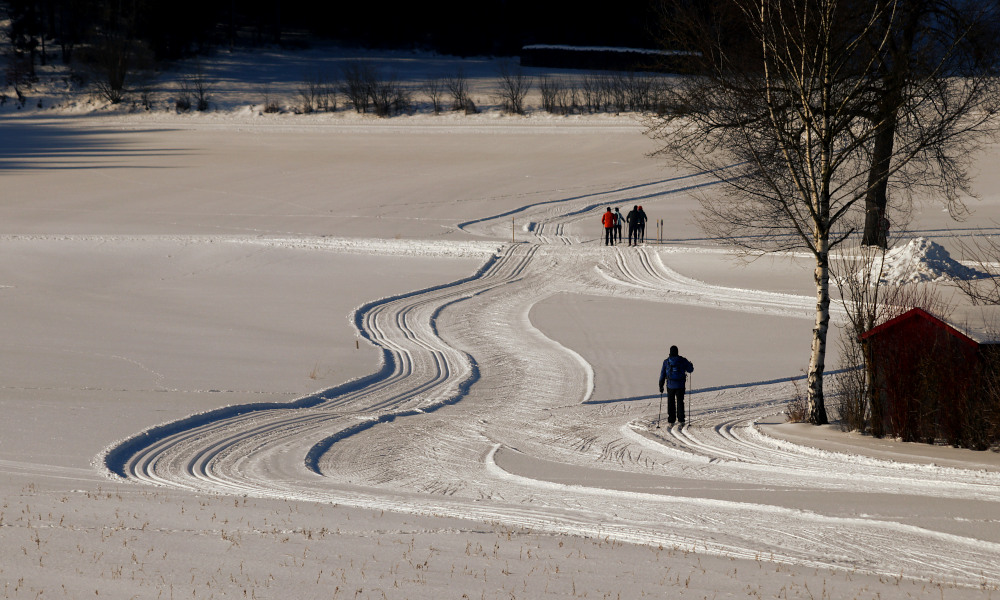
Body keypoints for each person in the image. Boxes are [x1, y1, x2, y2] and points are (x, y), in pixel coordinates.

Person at [658, 345, 694, 425]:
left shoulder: (666, 361)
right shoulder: (682, 360)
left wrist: (661, 385)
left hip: (670, 385)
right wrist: (690, 365)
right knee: (680, 402)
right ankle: (681, 420)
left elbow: (662, 374)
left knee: (671, 402)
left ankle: (671, 420)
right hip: (680, 385)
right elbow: (690, 370)